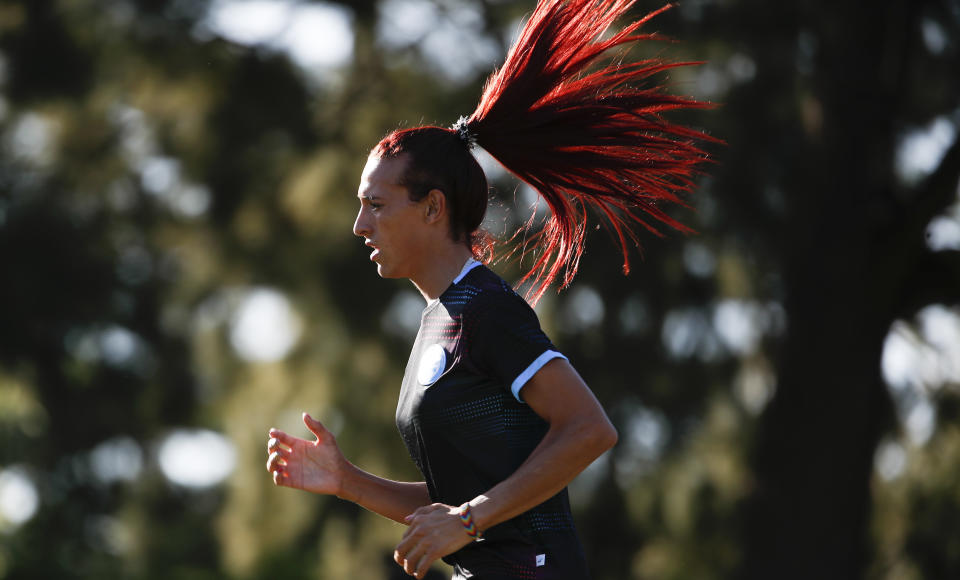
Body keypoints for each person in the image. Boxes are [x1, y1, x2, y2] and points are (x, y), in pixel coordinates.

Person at [265, 0, 716, 578]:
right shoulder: (440, 319)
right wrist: (349, 482)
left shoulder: (486, 310)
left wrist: (470, 519)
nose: (360, 226)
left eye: (376, 206)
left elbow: (588, 429)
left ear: (433, 209)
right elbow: (457, 500)